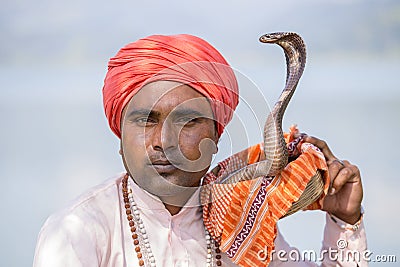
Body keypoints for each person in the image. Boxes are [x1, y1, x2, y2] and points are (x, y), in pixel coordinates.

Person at [33, 34, 367, 267]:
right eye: (145, 121)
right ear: (121, 138)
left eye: (188, 121)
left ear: (216, 136)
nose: (164, 140)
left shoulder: (240, 222)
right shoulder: (77, 231)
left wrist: (344, 221)